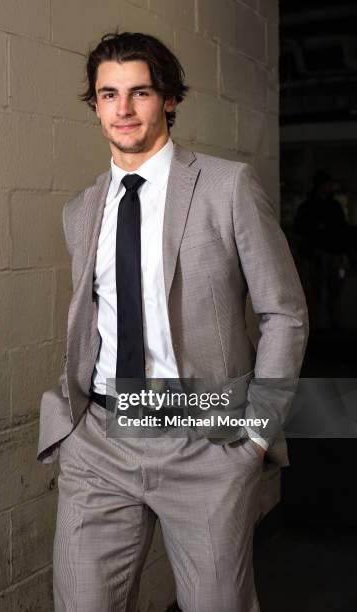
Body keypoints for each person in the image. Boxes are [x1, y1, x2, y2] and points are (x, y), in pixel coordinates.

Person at [37, 32, 309, 612]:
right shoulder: (81, 209)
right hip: (100, 442)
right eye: (109, 95)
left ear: (169, 100)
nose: (124, 109)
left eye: (140, 92)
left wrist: (257, 434)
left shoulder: (226, 186)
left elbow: (284, 313)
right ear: (96, 105)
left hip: (205, 440)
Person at [294, 170, 349, 330]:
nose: (330, 187)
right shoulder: (309, 207)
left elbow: (342, 229)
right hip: (316, 255)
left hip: (333, 253)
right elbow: (301, 230)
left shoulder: (334, 206)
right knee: (315, 291)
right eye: (327, 184)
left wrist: (343, 251)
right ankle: (317, 325)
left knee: (334, 290)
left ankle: (333, 323)